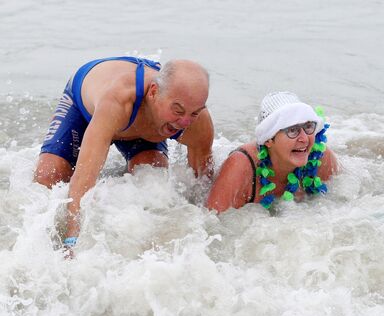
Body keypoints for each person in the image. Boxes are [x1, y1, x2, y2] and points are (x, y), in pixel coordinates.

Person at [34, 56, 214, 250]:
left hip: (148, 118)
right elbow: (84, 178)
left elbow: (203, 184)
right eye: (178, 111)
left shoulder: (196, 123)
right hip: (86, 104)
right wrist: (72, 242)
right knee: (48, 178)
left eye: (194, 113)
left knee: (152, 180)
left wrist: (202, 228)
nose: (185, 122)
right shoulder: (118, 100)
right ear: (154, 93)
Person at [206, 91, 338, 213]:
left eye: (308, 127)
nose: (304, 139)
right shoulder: (240, 167)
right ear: (268, 140)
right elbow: (212, 224)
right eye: (292, 130)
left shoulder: (319, 158)